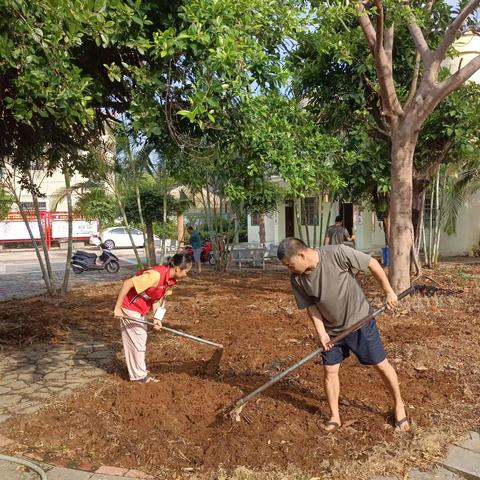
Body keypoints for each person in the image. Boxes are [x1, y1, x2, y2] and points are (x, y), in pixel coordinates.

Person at [277, 237, 410, 432]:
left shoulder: (337, 253)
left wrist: (388, 291)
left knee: (381, 365)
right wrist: (322, 333)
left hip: (360, 322)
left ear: (301, 255)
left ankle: (399, 405)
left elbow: (372, 263)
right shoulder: (297, 279)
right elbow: (311, 307)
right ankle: (334, 417)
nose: (290, 269)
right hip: (332, 331)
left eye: (290, 265)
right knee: (330, 370)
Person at [113, 254, 192, 383]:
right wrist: (117, 308)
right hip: (130, 306)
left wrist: (157, 318)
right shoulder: (155, 275)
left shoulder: (170, 280)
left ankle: (138, 370)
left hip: (140, 308)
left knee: (138, 340)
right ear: (177, 269)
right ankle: (139, 376)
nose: (186, 275)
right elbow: (127, 283)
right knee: (138, 340)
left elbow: (158, 298)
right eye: (186, 271)